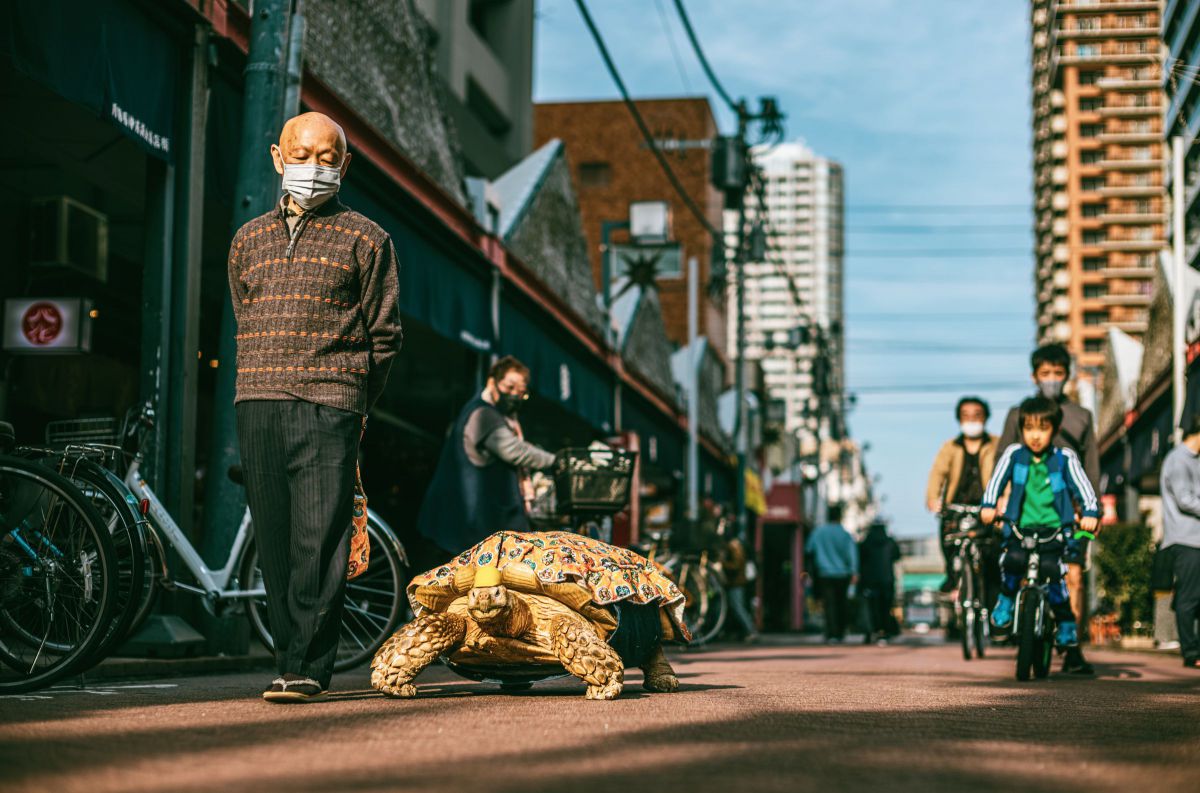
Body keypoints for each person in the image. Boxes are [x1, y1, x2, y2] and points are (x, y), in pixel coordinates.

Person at [229, 112, 402, 702]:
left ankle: (306, 666)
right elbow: (243, 314)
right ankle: (286, 655)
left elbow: (385, 335)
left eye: (328, 158)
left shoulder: (367, 238)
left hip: (332, 403)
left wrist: (355, 402)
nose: (314, 168)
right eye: (302, 155)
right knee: (275, 538)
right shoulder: (246, 240)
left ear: (345, 165)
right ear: (279, 158)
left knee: (320, 537)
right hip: (257, 400)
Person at [996, 343, 1099, 673]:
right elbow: (1004, 460)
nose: (1052, 379)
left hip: (1070, 512)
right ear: (1034, 376)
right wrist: (999, 501)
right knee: (1018, 565)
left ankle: (1071, 650)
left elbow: (1091, 466)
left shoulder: (1081, 416)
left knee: (1074, 579)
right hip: (1027, 512)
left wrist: (1091, 508)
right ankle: (1025, 626)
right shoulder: (1018, 414)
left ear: (1067, 376)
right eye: (1045, 374)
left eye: (1058, 373)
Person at [417, 356, 556, 557]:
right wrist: (554, 460)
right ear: (492, 382)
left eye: (521, 393)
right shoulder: (484, 414)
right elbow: (515, 451)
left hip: (463, 521)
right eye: (509, 388)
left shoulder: (492, 413)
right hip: (465, 519)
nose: (514, 396)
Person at [926, 396, 998, 593]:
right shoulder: (950, 447)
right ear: (959, 419)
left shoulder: (996, 445)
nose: (972, 420)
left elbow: (1005, 473)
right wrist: (933, 498)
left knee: (992, 549)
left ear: (985, 418)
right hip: (956, 504)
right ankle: (951, 573)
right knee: (948, 536)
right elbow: (937, 473)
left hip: (987, 507)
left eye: (977, 415)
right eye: (966, 416)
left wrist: (1003, 500)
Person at [1159, 415, 1200, 670]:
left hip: (1195, 539)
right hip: (1186, 540)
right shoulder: (1178, 459)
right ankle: (1191, 652)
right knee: (1189, 597)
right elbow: (1185, 499)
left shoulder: (1193, 461)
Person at [805, 503, 859, 643]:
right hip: (842, 574)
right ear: (840, 517)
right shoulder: (845, 534)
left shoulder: (818, 533)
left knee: (829, 604)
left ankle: (831, 633)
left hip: (824, 573)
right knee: (841, 603)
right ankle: (840, 632)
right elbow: (852, 554)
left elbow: (809, 550)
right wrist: (854, 571)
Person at [858, 519, 901, 644]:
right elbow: (897, 557)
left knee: (872, 608)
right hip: (887, 580)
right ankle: (885, 632)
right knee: (886, 607)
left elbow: (860, 560)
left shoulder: (866, 542)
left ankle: (873, 631)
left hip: (870, 581)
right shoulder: (890, 542)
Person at [721, 524, 759, 643]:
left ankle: (750, 630)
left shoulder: (734, 546)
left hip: (736, 582)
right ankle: (745, 631)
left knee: (738, 607)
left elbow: (736, 565)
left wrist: (723, 564)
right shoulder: (736, 544)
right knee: (737, 607)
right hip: (737, 582)